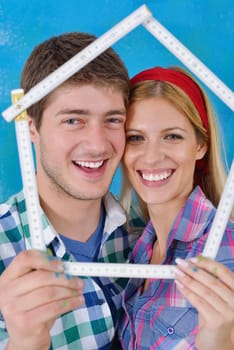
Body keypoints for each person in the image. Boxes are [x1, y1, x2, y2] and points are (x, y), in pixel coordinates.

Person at [0, 32, 143, 350]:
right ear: (31, 128)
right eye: (73, 120)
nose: (97, 144)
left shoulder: (147, 231)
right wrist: (24, 342)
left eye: (112, 120)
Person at [118, 66, 234, 349]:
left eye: (172, 136)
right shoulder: (136, 246)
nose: (152, 156)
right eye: (136, 137)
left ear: (200, 145)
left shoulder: (225, 252)